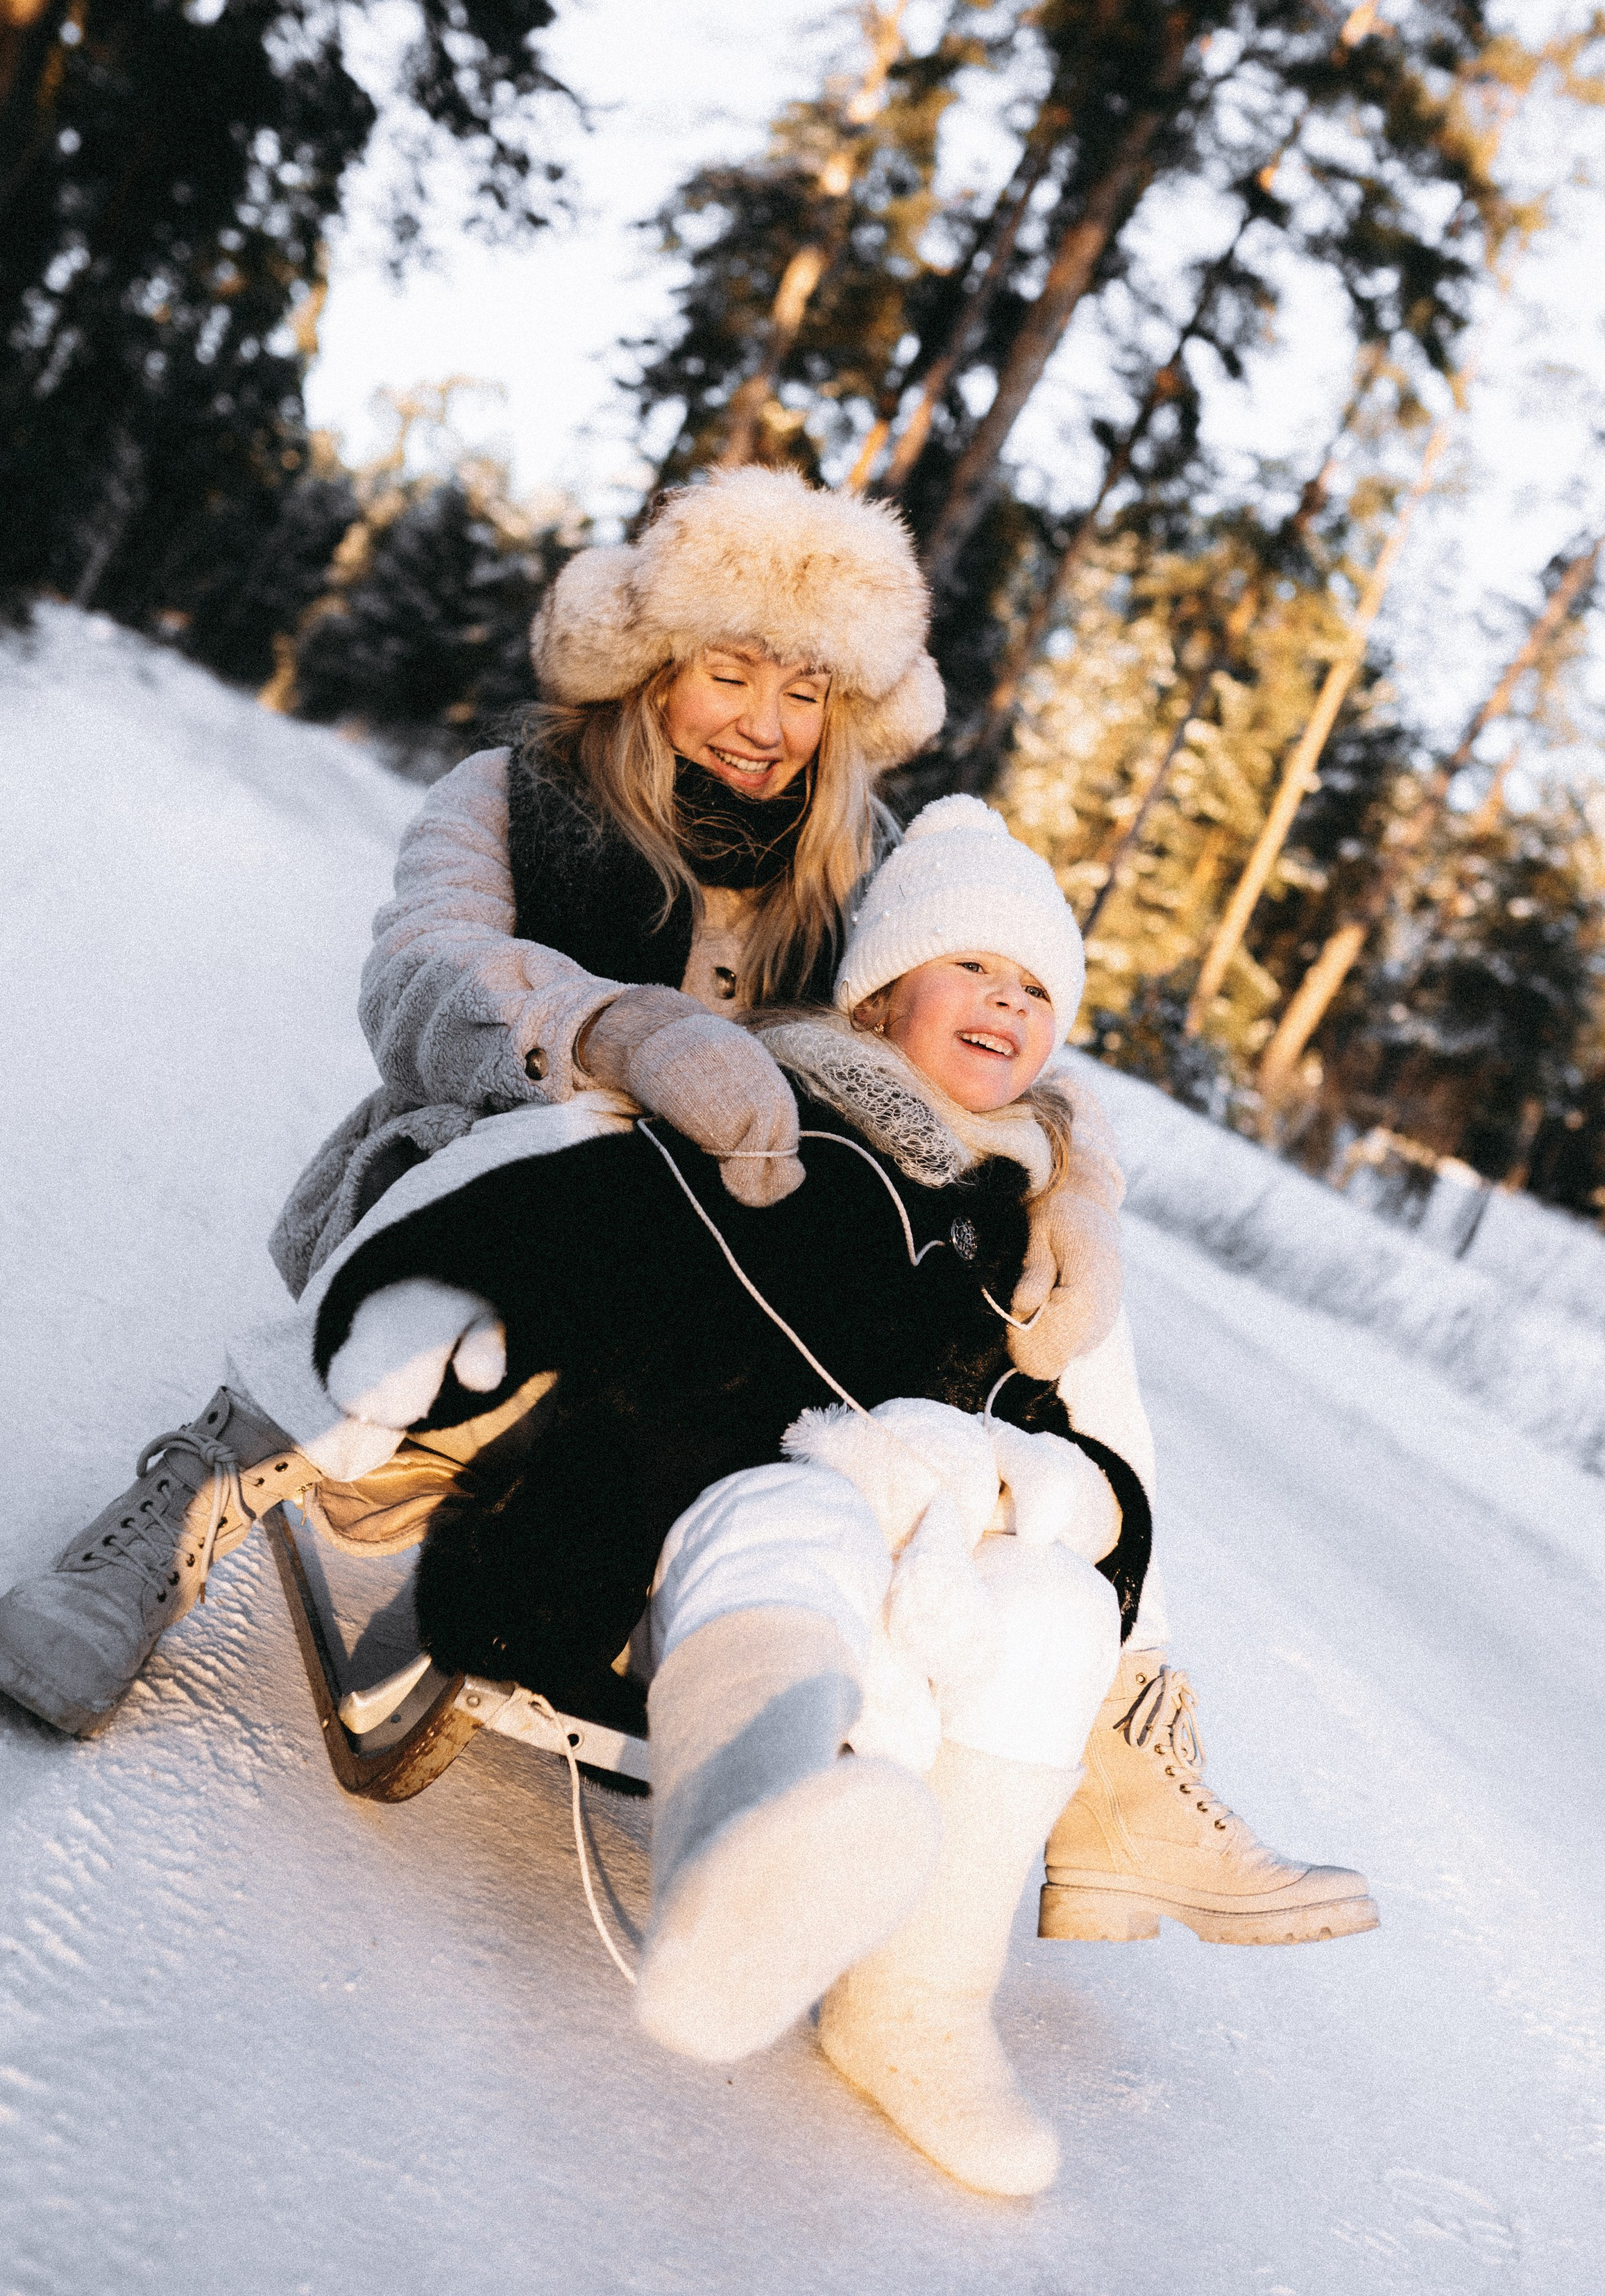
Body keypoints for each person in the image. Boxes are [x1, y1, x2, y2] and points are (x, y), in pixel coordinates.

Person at [0, 469, 1371, 1993]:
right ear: (652, 663)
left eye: (804, 690)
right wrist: (614, 1034)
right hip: (490, 1208)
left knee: (1066, 1312)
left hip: (748, 1287)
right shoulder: (516, 793)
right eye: (731, 671)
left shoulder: (862, 861)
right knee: (569, 1139)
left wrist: (1078, 1193)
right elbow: (420, 977)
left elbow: (992, 1013)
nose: (765, 724)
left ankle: (1124, 1734)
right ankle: (193, 1493)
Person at [304, 795, 1371, 2194]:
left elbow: (1082, 1443)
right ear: (879, 995)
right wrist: (410, 1316)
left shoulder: (1030, 1219)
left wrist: (1056, 1488)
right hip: (705, 1495)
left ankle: (911, 2011)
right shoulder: (768, 1107)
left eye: (1040, 987)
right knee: (793, 1524)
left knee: (1051, 1609)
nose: (1008, 1001)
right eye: (974, 968)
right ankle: (726, 1872)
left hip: (926, 1542)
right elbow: (563, 1204)